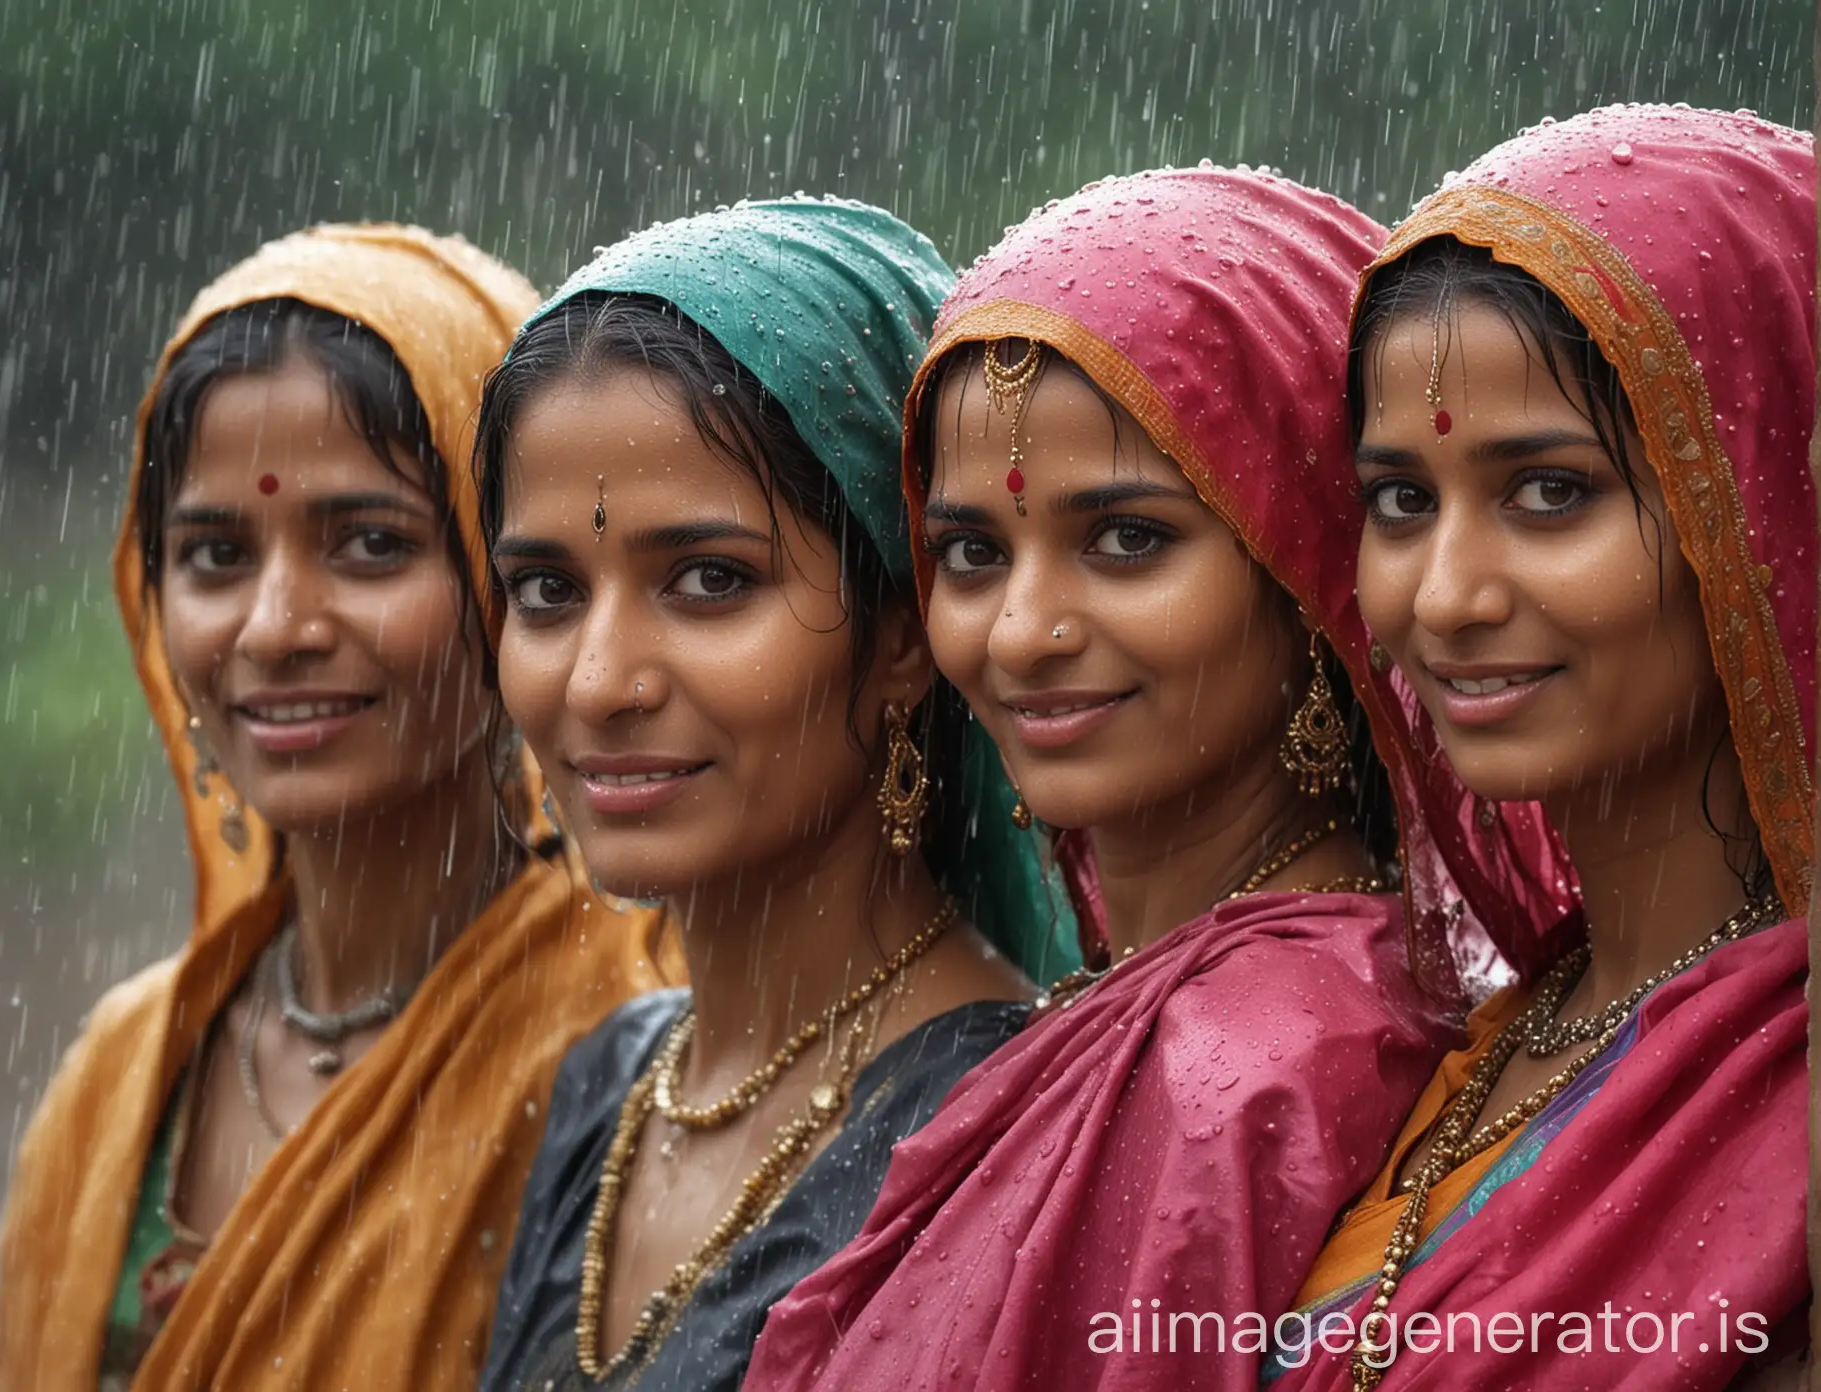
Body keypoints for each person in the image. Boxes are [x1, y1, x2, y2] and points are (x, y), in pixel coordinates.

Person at [746, 165, 1561, 1392]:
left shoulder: (1256, 1062)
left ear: (1306, 563)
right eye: (969, 551)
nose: (1019, 632)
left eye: (1127, 540)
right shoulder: (1167, 1008)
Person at [0, 224, 673, 1392]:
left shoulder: (634, 1043)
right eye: (212, 555)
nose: (274, 626)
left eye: (367, 543)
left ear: (517, 587)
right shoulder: (123, 1069)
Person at [472, 197, 1074, 1392]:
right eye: (544, 590)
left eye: (705, 579)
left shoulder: (1005, 1129)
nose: (597, 682)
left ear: (904, 634)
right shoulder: (613, 1083)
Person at [1269, 104, 1812, 1389]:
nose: (1443, 595)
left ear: (1762, 501)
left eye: (1550, 492)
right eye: (1402, 500)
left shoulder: (1783, 1087)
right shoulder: (1488, 1030)